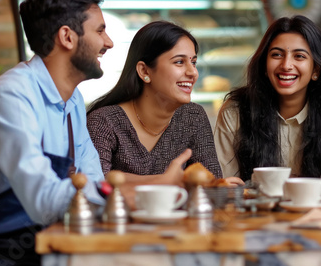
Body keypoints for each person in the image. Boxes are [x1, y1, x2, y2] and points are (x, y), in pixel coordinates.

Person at [0, 0, 115, 265]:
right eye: (100, 30)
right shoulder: (11, 97)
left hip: (42, 239)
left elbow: (92, 178)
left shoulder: (73, 99)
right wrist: (122, 196)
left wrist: (116, 195)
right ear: (67, 37)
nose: (108, 42)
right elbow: (43, 200)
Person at [214, 15, 321, 180]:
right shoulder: (235, 111)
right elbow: (227, 187)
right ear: (265, 66)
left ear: (316, 70)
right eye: (277, 55)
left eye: (299, 56)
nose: (286, 65)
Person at [87, 21, 235, 183]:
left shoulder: (193, 116)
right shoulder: (104, 122)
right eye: (179, 62)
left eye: (193, 62)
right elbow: (95, 184)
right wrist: (168, 180)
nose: (193, 72)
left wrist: (220, 187)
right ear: (144, 71)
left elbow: (209, 181)